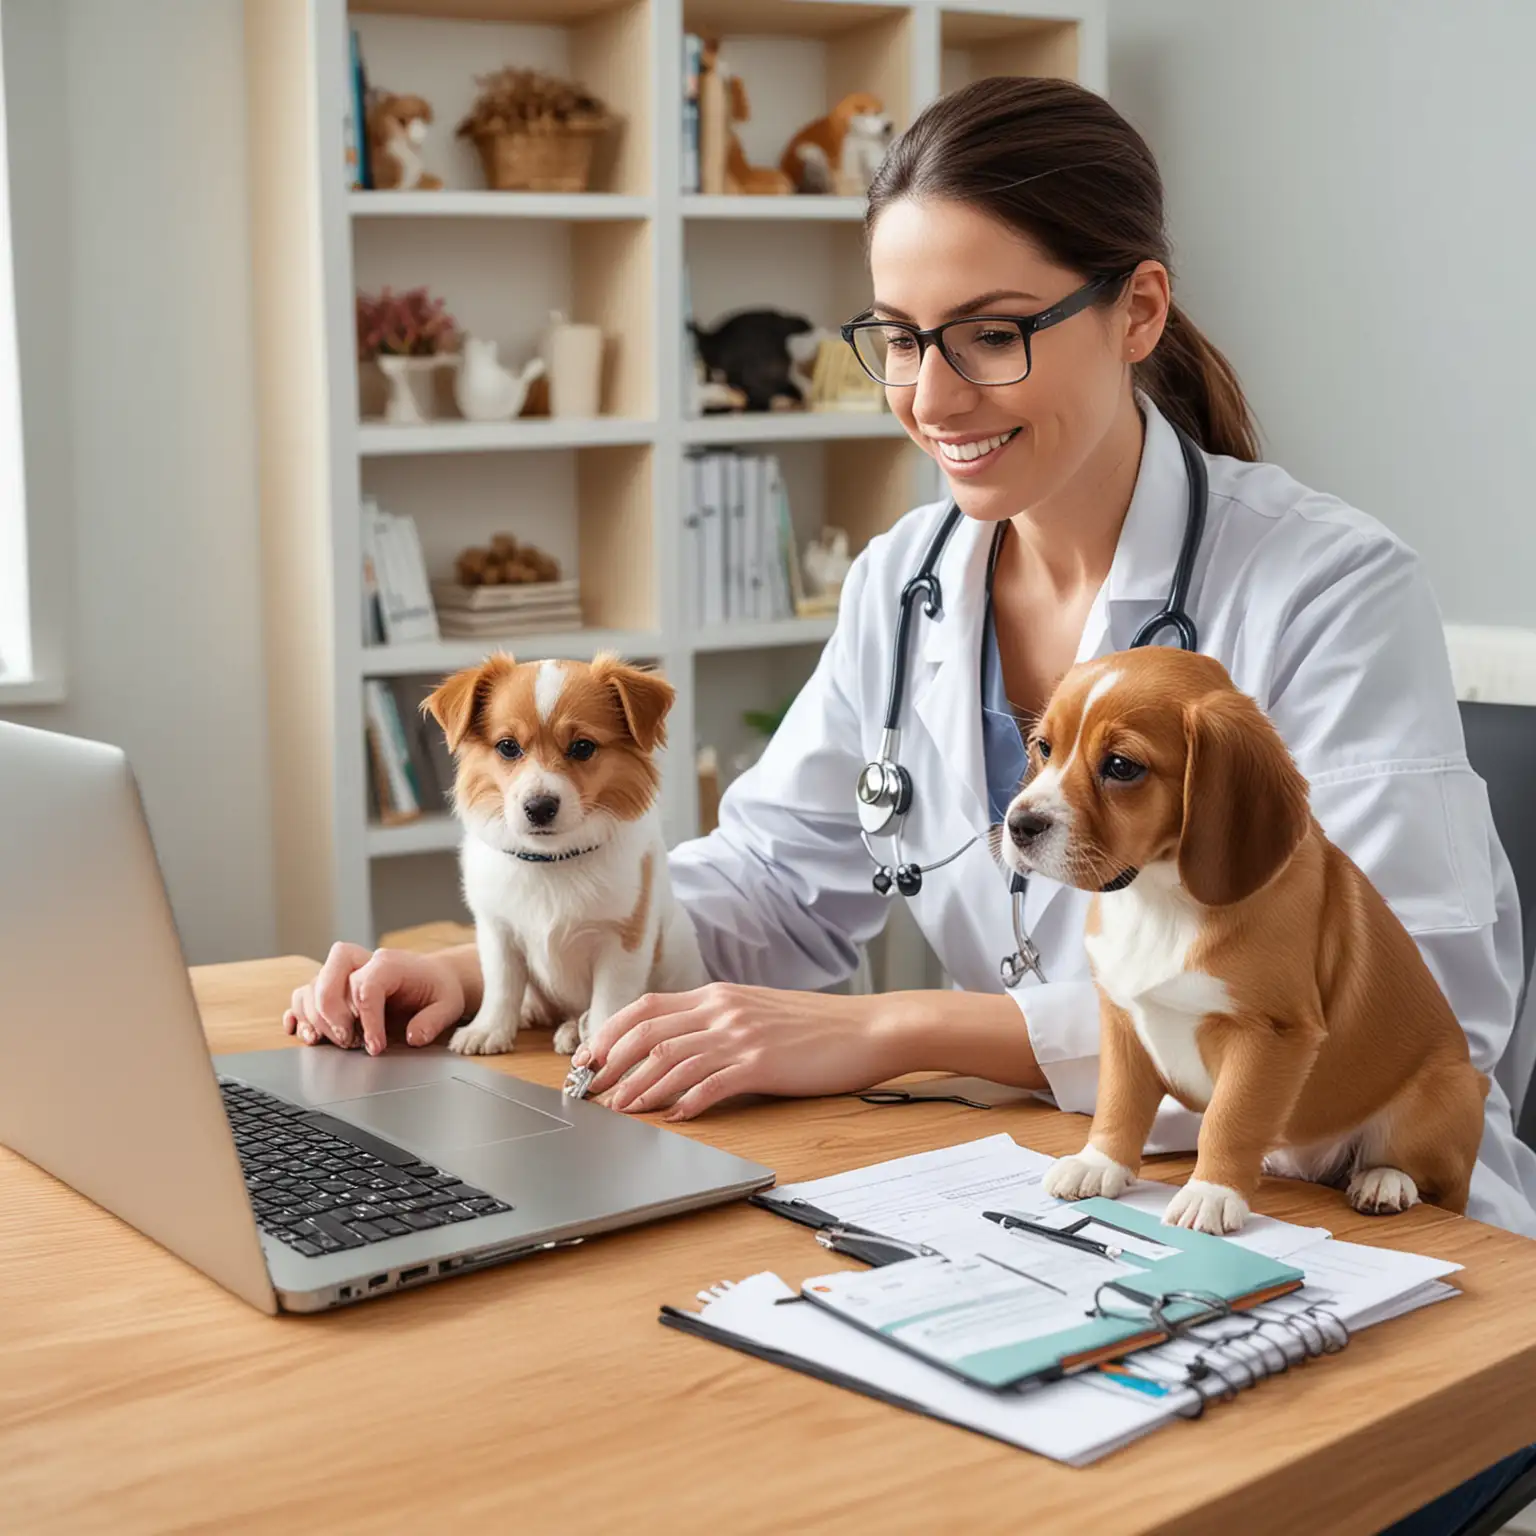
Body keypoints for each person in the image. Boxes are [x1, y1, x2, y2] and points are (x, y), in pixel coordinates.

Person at [288, 75, 1536, 1527]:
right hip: (1067, 1227)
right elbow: (761, 882)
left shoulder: (1325, 588)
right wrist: (489, 957)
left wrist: (898, 1025)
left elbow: (1426, 1001)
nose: (930, 397)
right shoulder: (907, 580)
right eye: (897, 337)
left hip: (1373, 1259)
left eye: (993, 335)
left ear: (1137, 313)